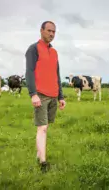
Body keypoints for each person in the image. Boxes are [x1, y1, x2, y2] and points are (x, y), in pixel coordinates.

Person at [25, 21, 66, 173]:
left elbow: (57, 75)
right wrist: (33, 94)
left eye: (54, 32)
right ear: (41, 30)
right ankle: (43, 163)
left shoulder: (54, 52)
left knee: (45, 127)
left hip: (53, 95)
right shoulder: (33, 49)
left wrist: (61, 96)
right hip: (40, 94)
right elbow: (29, 72)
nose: (51, 34)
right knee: (42, 128)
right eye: (49, 30)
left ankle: (38, 154)